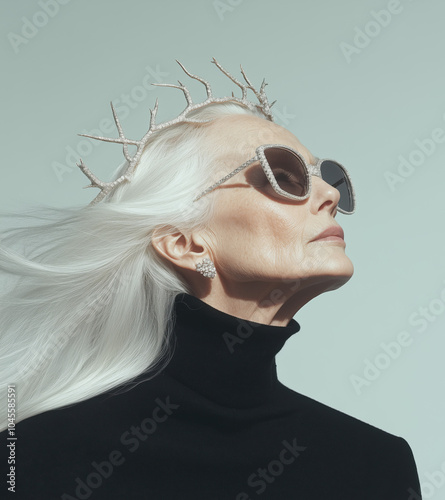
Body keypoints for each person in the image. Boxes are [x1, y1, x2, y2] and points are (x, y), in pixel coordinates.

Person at [0, 59, 421, 499]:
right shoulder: (32, 456)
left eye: (327, 177)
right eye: (283, 174)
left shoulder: (375, 463)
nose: (330, 195)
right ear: (184, 243)